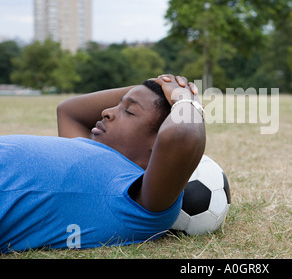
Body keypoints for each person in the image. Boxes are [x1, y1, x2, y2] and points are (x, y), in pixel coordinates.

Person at [0, 74, 205, 253]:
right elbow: (69, 111)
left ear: (157, 142)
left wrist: (185, 98)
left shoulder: (139, 200)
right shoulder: (88, 147)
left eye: (130, 111)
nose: (106, 111)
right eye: (118, 104)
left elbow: (182, 136)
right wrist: (157, 84)